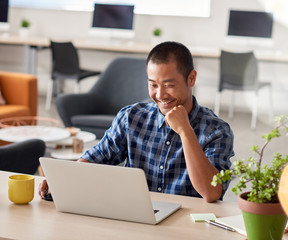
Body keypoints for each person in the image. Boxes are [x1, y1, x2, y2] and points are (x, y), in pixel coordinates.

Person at [39, 41, 234, 203]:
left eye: (169, 85)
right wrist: (63, 177)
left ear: (191, 79)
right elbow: (98, 156)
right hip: (138, 220)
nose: (160, 94)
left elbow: (211, 192)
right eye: (153, 84)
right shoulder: (131, 117)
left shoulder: (217, 131)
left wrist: (185, 131)